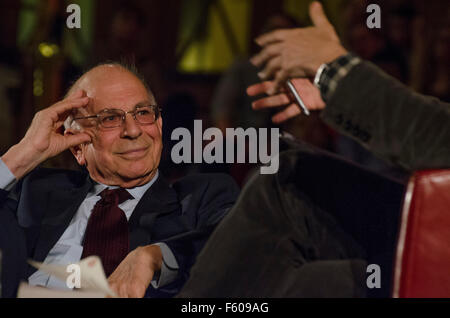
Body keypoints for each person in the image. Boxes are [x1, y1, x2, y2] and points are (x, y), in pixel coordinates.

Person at [177, 2, 449, 297]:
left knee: (301, 278)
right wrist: (332, 90)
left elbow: (438, 140)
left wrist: (335, 68)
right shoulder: (242, 68)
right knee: (286, 178)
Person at [0, 63, 239, 298]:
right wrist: (22, 155)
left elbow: (237, 246)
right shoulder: (35, 192)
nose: (133, 131)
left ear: (159, 124)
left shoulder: (201, 196)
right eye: (110, 118)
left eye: (143, 113)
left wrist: (154, 257)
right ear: (78, 147)